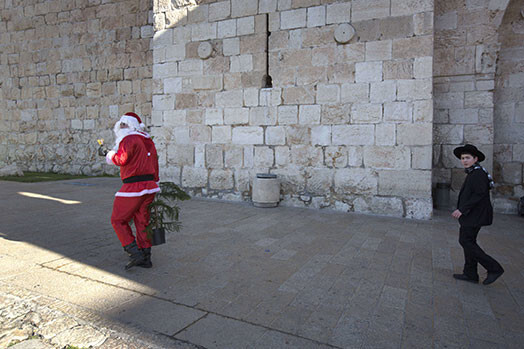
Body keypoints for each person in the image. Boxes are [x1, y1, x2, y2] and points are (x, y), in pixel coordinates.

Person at [105, 112, 160, 270]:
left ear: (132, 125)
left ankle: (134, 253)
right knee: (142, 221)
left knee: (117, 220)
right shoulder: (147, 140)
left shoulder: (129, 139)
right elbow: (154, 161)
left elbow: (122, 159)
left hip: (133, 187)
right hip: (150, 186)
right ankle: (145, 257)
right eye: (121, 124)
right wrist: (156, 180)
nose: (122, 126)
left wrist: (108, 154)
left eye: (125, 124)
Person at [451, 144, 504, 285]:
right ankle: (470, 273)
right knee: (469, 242)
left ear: (475, 159)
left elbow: (479, 195)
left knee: (465, 241)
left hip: (474, 215)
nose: (464, 161)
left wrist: (462, 209)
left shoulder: (478, 173)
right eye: (462, 158)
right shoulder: (474, 172)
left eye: (467, 158)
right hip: (472, 215)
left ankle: (494, 268)